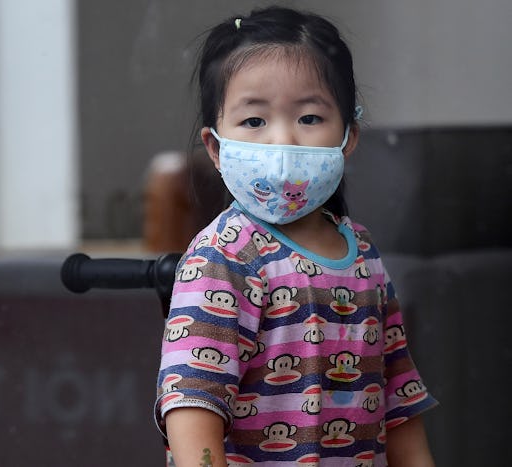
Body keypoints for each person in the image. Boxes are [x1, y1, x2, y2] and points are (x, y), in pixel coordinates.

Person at [154, 5, 438, 466]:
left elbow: (399, 401)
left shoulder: (362, 252)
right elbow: (192, 406)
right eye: (254, 121)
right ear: (215, 147)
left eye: (308, 118)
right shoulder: (224, 257)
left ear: (347, 137)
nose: (282, 140)